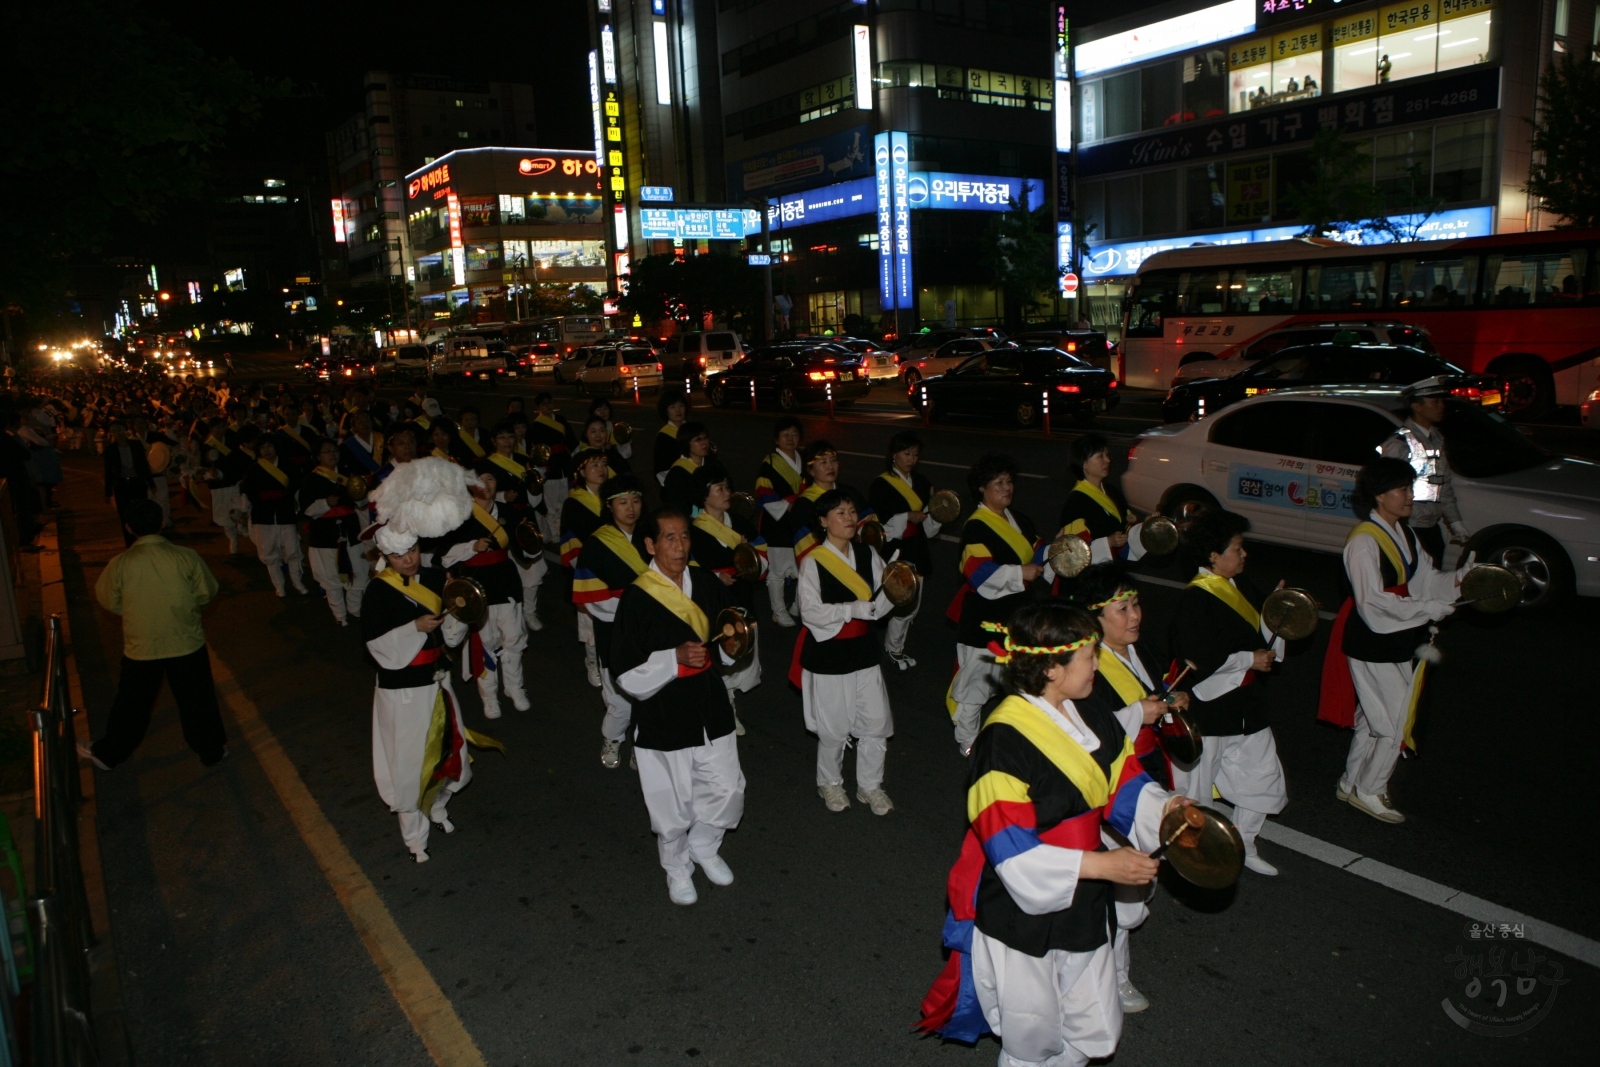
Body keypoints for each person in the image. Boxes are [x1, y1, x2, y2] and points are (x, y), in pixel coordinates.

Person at [917, 602, 1190, 1065]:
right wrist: (1102, 864)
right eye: (1089, 657)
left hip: (1084, 893)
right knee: (1032, 1039)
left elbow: (1124, 783)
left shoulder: (1092, 709)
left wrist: (1167, 808)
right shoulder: (1002, 740)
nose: (1098, 666)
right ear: (1049, 668)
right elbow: (1010, 850)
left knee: (1086, 1025)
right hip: (1023, 911)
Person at [1064, 562, 1189, 1015]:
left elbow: (1155, 694)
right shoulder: (1084, 667)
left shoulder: (1141, 652)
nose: (1134, 615)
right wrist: (1140, 712)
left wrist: (1170, 702)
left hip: (1146, 772)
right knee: (1121, 891)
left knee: (1138, 880)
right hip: (1110, 785)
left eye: (1135, 603)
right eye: (1122, 607)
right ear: (1094, 618)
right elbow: (1079, 734)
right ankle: (1113, 978)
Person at [1318, 458, 1466, 824]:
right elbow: (1373, 602)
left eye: (1409, 488)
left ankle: (1351, 782)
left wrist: (1462, 579)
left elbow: (1425, 579)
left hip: (1395, 633)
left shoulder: (1404, 533)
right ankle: (1370, 789)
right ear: (1380, 495)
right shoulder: (1364, 541)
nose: (1409, 496)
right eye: (1402, 489)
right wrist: (1428, 608)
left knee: (1373, 718)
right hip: (1372, 637)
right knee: (1398, 718)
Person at [611, 509, 744, 906]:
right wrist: (673, 659)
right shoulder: (635, 597)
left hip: (709, 701)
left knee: (728, 788)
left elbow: (726, 636)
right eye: (669, 538)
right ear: (650, 545)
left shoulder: (703, 581)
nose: (680, 546)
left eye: (684, 537)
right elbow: (624, 673)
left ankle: (704, 845)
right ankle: (676, 867)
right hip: (663, 710)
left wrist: (735, 646)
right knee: (671, 800)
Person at [1169, 509, 1287, 876]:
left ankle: (1244, 844)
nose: (1244, 554)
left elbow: (1262, 637)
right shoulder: (1197, 598)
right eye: (1237, 548)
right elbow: (1196, 655)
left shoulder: (1244, 587)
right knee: (1199, 790)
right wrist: (1246, 659)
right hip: (1210, 706)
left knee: (1263, 778)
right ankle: (1200, 855)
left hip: (1248, 705)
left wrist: (1280, 615)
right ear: (1213, 556)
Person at [362, 524, 481, 863]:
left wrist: (459, 613)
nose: (409, 560)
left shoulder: (432, 578)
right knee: (409, 762)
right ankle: (415, 837)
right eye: (399, 556)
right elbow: (376, 646)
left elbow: (452, 637)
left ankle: (438, 806)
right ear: (385, 557)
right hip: (402, 691)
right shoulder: (378, 592)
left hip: (437, 681)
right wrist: (413, 628)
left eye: (412, 551)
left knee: (448, 753)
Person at [79, 500, 227, 770]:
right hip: (185, 640)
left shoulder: (121, 563)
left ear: (129, 527)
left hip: (142, 646)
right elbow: (207, 591)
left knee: (133, 704)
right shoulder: (186, 556)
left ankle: (109, 754)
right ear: (161, 522)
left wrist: (134, 610)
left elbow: (107, 599)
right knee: (197, 700)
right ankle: (211, 751)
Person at [794, 488, 895, 815]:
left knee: (876, 723)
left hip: (864, 651)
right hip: (829, 654)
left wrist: (900, 585)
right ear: (824, 521)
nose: (850, 518)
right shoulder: (813, 561)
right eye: (840, 513)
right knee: (834, 728)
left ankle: (870, 786)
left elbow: (883, 597)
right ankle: (830, 783)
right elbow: (809, 612)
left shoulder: (867, 553)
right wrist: (850, 609)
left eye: (852, 512)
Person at [948, 454, 1047, 756]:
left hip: (1018, 619)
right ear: (982, 488)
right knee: (975, 687)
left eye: (1009, 481)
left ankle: (1024, 738)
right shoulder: (976, 527)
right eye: (998, 483)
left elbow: (1040, 553)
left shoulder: (1021, 520)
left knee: (1023, 682)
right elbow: (977, 573)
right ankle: (968, 741)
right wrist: (1021, 572)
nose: (1007, 488)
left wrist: (1063, 553)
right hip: (984, 621)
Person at [439, 464, 529, 719]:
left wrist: (531, 540)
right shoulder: (459, 515)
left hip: (506, 581)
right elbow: (443, 557)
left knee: (514, 638)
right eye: (480, 479)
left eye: (490, 479)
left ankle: (514, 687)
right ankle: (489, 696)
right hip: (475, 586)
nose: (486, 484)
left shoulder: (509, 512)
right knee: (485, 643)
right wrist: (472, 547)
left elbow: (525, 551)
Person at [573, 476, 651, 768]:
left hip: (650, 630)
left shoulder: (651, 536)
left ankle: (643, 746)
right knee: (619, 699)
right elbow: (591, 597)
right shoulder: (596, 543)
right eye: (622, 502)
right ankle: (613, 738)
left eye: (635, 500)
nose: (630, 508)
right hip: (614, 629)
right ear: (610, 506)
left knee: (649, 693)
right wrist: (634, 609)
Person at [688, 462, 766, 734]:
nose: (726, 493)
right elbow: (689, 568)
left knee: (741, 648)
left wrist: (750, 564)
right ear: (704, 495)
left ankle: (727, 698)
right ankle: (726, 706)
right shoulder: (694, 529)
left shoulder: (740, 521)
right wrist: (714, 577)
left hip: (741, 594)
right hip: (714, 600)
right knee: (722, 651)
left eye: (726, 487)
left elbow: (761, 553)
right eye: (718, 488)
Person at [867, 430, 942, 670]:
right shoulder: (881, 484)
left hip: (916, 549)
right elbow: (880, 524)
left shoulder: (921, 482)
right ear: (894, 455)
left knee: (910, 604)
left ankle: (894, 648)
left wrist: (938, 512)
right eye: (906, 453)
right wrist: (907, 516)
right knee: (884, 602)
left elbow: (929, 527)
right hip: (892, 550)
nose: (911, 458)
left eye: (915, 454)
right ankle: (876, 643)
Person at [1379, 378, 1467, 567]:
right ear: (1417, 406)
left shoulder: (1436, 439)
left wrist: (1455, 523)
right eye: (1434, 402)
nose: (1441, 406)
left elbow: (1442, 485)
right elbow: (1384, 487)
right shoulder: (1400, 443)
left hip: (1429, 526)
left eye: (1441, 401)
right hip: (1406, 526)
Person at [486, 420, 548, 632]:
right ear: (494, 440)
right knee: (509, 570)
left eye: (510, 437)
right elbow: (480, 496)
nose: (507, 441)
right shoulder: (486, 465)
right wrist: (502, 496)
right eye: (502, 437)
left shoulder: (523, 460)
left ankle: (529, 611)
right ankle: (512, 614)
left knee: (532, 570)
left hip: (525, 518)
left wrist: (534, 485)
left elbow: (535, 495)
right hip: (501, 520)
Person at [300, 440, 370, 626]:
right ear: (317, 457)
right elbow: (305, 509)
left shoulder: (347, 475)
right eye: (326, 451)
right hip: (324, 535)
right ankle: (340, 615)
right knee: (331, 576)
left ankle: (355, 609)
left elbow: (361, 502)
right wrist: (325, 503)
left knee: (357, 571)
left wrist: (362, 495)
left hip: (350, 531)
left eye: (334, 450)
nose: (332, 454)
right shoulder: (311, 479)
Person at [1056, 434, 1150, 570]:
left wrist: (1147, 525)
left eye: (1107, 454)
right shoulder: (1076, 502)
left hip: (1116, 568)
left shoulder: (1111, 491)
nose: (1108, 460)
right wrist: (1108, 542)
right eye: (1100, 456)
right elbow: (1073, 551)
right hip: (1093, 575)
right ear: (1084, 463)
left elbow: (1127, 524)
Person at [562, 448, 611, 687]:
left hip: (616, 569)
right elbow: (571, 544)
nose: (601, 470)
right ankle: (592, 662)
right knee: (591, 624)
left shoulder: (615, 498)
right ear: (581, 472)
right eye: (594, 466)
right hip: (589, 572)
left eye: (604, 464)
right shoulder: (574, 503)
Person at [242, 435, 309, 597]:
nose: (267, 450)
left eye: (270, 446)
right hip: (263, 516)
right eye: (263, 447)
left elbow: (297, 488)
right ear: (258, 450)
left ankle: (297, 582)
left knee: (292, 550)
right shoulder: (254, 468)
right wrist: (243, 511)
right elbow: (247, 492)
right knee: (269, 553)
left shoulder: (288, 464)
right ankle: (279, 586)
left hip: (285, 513)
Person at [753, 418, 805, 627]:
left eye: (794, 434)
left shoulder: (804, 459)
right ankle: (778, 610)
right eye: (785, 435)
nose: (790, 439)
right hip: (777, 522)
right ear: (777, 439)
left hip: (799, 520)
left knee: (803, 564)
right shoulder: (770, 463)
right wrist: (789, 504)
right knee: (777, 569)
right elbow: (763, 493)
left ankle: (797, 604)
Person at [788, 439, 874, 563]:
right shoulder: (804, 505)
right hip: (827, 563)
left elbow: (871, 525)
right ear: (811, 470)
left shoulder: (850, 493)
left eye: (833, 460)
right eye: (823, 462)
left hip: (858, 558)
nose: (830, 466)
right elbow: (805, 545)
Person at [528, 392, 576, 544]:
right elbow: (535, 450)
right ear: (538, 408)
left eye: (550, 402)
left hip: (564, 463)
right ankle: (553, 533)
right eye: (544, 404)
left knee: (565, 499)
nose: (548, 406)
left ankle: (564, 530)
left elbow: (571, 440)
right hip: (550, 467)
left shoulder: (560, 420)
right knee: (550, 503)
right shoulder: (536, 426)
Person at [102, 421, 155, 546]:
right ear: (111, 434)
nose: (118, 433)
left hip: (137, 482)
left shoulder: (136, 445)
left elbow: (144, 465)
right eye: (114, 431)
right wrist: (107, 492)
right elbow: (108, 471)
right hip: (121, 484)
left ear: (125, 430)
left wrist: (151, 483)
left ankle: (144, 539)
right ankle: (130, 542)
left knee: (142, 511)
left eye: (119, 430)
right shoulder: (110, 450)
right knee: (124, 514)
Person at [661, 420, 712, 516]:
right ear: (686, 443)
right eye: (698, 439)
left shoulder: (713, 465)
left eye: (705, 438)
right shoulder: (677, 474)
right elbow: (677, 509)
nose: (704, 443)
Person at [653, 386, 689, 485]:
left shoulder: (692, 431)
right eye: (673, 407)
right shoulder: (664, 437)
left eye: (681, 405)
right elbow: (661, 469)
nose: (678, 410)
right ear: (666, 411)